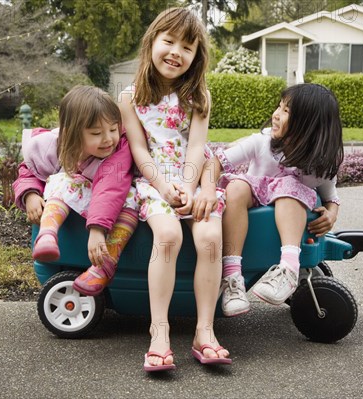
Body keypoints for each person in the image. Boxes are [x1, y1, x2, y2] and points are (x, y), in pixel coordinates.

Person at [119, 7, 230, 371]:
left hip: (193, 177)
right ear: (152, 42)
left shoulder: (199, 96)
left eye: (187, 46)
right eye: (168, 41)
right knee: (168, 236)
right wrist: (165, 187)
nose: (175, 52)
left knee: (210, 239)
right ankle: (160, 332)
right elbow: (138, 148)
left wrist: (189, 185)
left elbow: (197, 146)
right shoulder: (130, 97)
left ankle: (205, 331)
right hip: (155, 180)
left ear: (197, 56)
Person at [199, 83, 344, 317]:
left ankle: (288, 269)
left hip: (287, 211)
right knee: (235, 187)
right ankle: (232, 277)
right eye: (279, 106)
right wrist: (207, 190)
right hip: (253, 200)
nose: (276, 114)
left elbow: (331, 197)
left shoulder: (320, 164)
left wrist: (331, 213)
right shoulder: (261, 142)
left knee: (289, 186)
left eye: (286, 111)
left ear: (308, 125)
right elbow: (216, 162)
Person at [13, 85, 138, 297]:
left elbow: (111, 187)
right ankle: (47, 235)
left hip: (108, 209)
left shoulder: (118, 151)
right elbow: (29, 170)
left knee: (133, 198)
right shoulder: (54, 147)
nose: (108, 139)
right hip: (77, 204)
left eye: (113, 129)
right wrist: (30, 194)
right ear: (72, 133)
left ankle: (106, 263)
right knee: (62, 180)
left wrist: (98, 229)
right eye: (97, 133)